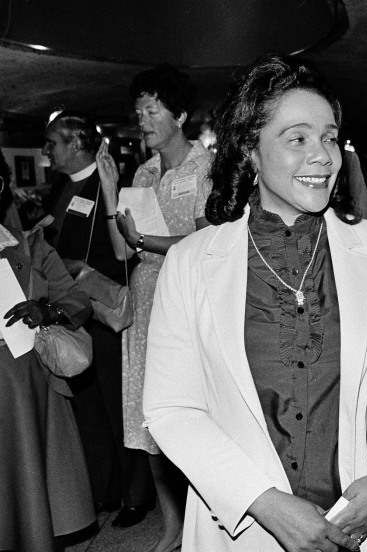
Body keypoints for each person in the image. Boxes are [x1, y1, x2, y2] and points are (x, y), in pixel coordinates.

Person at [142, 56, 367, 552]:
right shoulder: (190, 262)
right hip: (244, 531)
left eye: (329, 137)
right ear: (250, 149)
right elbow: (172, 408)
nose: (324, 158)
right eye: (298, 138)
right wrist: (263, 503)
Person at [97, 64, 212, 551]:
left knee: (192, 412)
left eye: (152, 109)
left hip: (186, 299)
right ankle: (171, 525)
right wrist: (108, 191)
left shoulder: (206, 167)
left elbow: (210, 241)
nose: (141, 119)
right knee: (151, 421)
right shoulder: (142, 171)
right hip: (145, 304)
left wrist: (144, 238)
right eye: (138, 110)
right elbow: (124, 253)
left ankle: (205, 523)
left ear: (180, 114)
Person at [41, 110, 154, 522]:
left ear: (75, 143)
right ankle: (105, 488)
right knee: (88, 407)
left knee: (118, 404)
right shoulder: (60, 188)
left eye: (52, 142)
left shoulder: (109, 187)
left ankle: (137, 495)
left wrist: (74, 266)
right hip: (73, 312)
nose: (46, 151)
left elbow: (123, 255)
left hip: (103, 311)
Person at [0, 159, 95, 551]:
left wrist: (47, 311)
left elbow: (77, 300)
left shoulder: (31, 246)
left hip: (24, 385)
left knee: (26, 485)